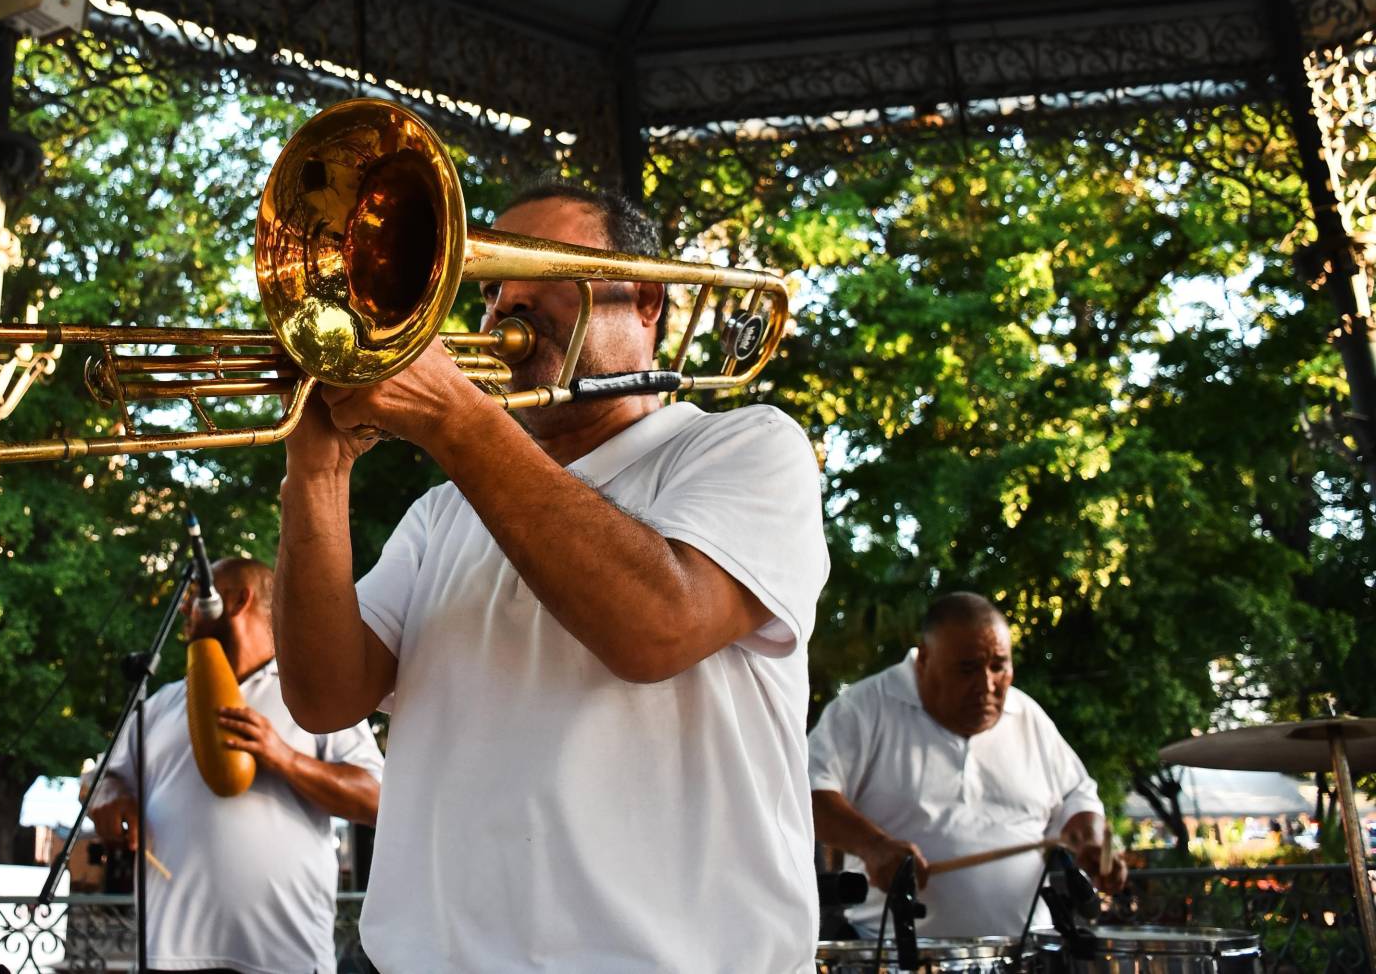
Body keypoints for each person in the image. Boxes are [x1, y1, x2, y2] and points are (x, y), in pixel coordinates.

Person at [274, 183, 829, 973]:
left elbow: (656, 629)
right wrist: (317, 471)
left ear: (644, 299)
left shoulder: (745, 448)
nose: (506, 303)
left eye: (541, 272)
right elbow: (324, 698)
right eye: (489, 287)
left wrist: (456, 418)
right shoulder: (441, 515)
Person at [89, 556, 382, 974]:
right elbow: (104, 779)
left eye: (195, 596)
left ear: (237, 600)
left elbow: (377, 799)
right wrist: (111, 797)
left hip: (283, 957)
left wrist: (284, 758)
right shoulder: (161, 704)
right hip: (167, 954)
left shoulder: (311, 696)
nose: (184, 609)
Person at [808, 592, 1128, 938]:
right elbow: (807, 793)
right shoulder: (863, 709)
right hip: (892, 950)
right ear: (924, 659)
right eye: (967, 668)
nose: (986, 685)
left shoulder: (1028, 717)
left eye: (999, 666)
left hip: (1025, 951)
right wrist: (873, 846)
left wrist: (1090, 841)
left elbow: (1077, 796)